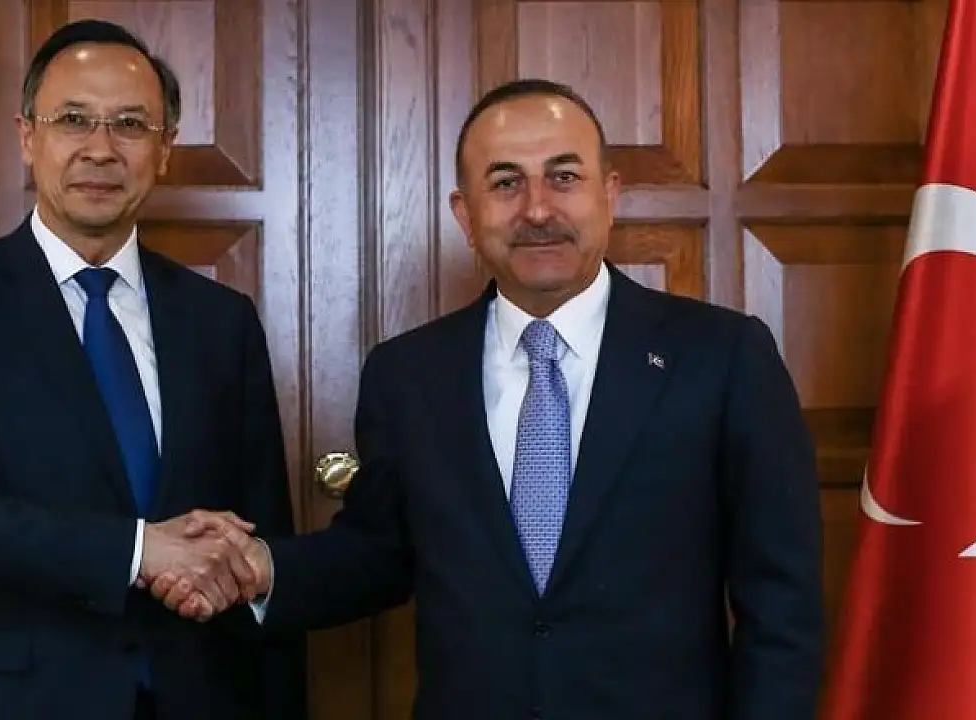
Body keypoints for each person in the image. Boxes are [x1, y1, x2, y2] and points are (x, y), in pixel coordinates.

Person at [153, 78, 827, 717]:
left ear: (610, 194)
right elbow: (380, 554)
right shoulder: (408, 374)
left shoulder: (722, 357)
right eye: (506, 183)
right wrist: (258, 568)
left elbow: (782, 604)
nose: (537, 209)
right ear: (466, 215)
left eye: (564, 177)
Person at [0, 19, 304, 720]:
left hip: (200, 695)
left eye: (130, 125)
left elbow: (262, 542)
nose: (100, 149)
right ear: (27, 136)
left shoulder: (222, 321)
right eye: (73, 120)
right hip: (12, 703)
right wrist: (139, 551)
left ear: (164, 149)